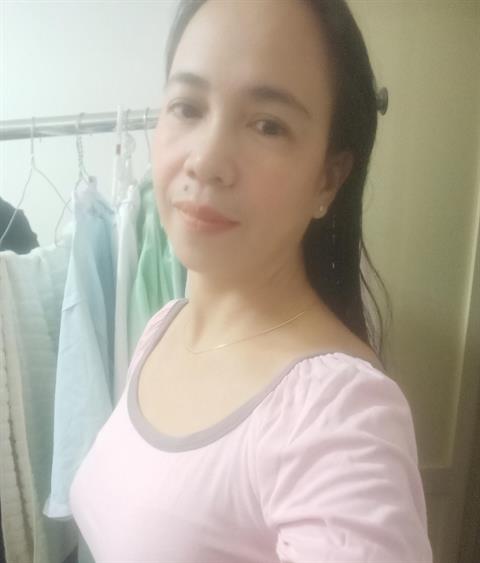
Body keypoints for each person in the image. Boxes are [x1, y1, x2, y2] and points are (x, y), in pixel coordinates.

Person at [69, 1, 433, 561]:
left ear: (328, 178)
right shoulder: (165, 326)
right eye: (187, 107)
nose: (206, 160)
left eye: (268, 125)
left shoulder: (338, 417)